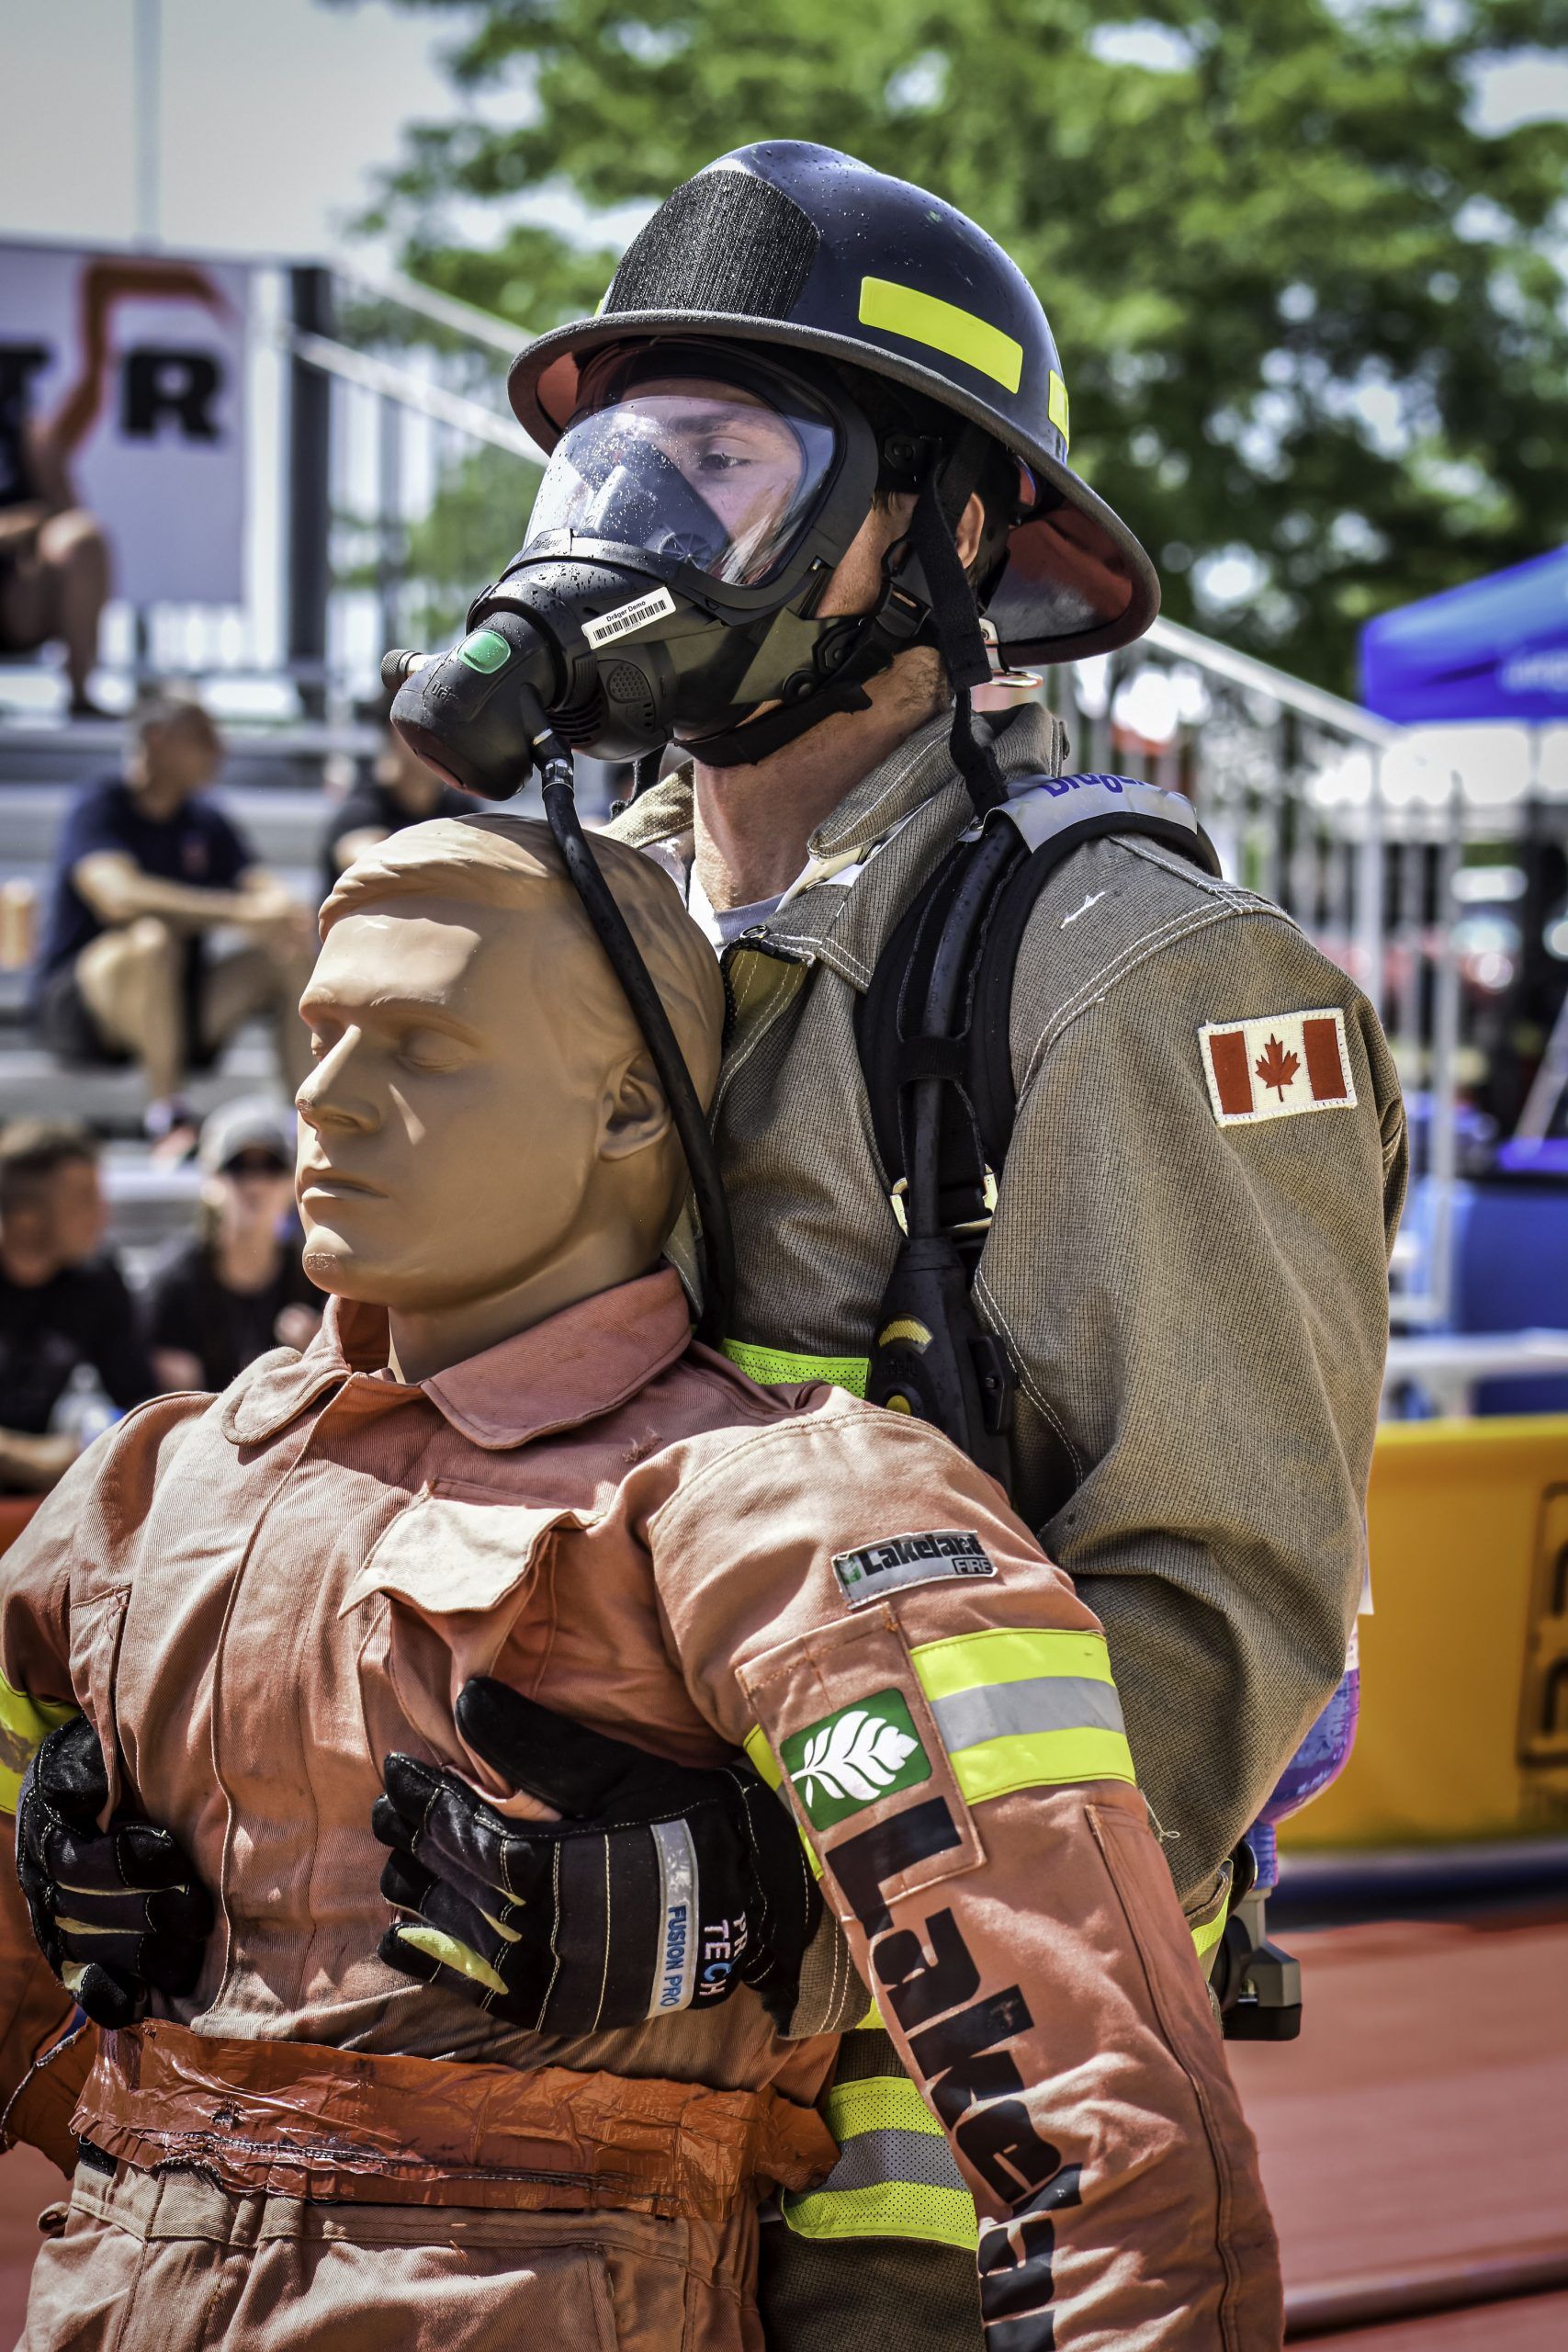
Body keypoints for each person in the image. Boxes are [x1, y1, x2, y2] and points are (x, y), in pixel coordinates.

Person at [355, 139, 1405, 2342]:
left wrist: (759, 1893)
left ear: (929, 530)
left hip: (918, 2165)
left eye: (719, 463)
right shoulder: (533, 939)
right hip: (536, 2110)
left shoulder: (1139, 979)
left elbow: (1217, 1615)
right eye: (615, 464)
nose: (632, 535)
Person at [0, 815, 1277, 2350]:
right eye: (319, 1035)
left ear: (623, 1112)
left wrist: (734, 1923)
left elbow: (1088, 2087)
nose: (323, 1102)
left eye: (419, 1046)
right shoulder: (151, 1486)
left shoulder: (782, 1507)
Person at [29, 693, 316, 1142]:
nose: (219, 750)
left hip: (178, 1007)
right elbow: (116, 897)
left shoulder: (205, 820)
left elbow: (262, 887)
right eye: (202, 736)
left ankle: (305, 1119)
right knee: (151, 939)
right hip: (86, 1011)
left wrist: (281, 912)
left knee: (287, 952)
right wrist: (239, 912)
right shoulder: (100, 806)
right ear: (156, 739)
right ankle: (169, 1115)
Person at [0, 256, 225, 717]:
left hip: (14, 595)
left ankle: (81, 694)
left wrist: (44, 477)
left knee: (85, 537)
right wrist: (25, 523)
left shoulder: (22, 433)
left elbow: (62, 519)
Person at [0, 1119, 154, 1494]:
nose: (104, 1216)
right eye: (84, 1199)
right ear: (26, 1217)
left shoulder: (96, 1280)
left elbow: (140, 1404)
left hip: (36, 1495)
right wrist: (41, 1457)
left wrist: (92, 1443)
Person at [144, 1097, 320, 1394]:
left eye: (271, 1166)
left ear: (292, 1183)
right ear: (210, 1181)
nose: (255, 1184)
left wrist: (320, 1352)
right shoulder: (175, 1278)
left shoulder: (313, 1271)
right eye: (238, 1166)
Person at [318, 705, 479, 902]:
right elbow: (366, 861)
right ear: (397, 728)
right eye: (430, 724)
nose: (444, 738)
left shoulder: (463, 811)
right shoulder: (361, 811)